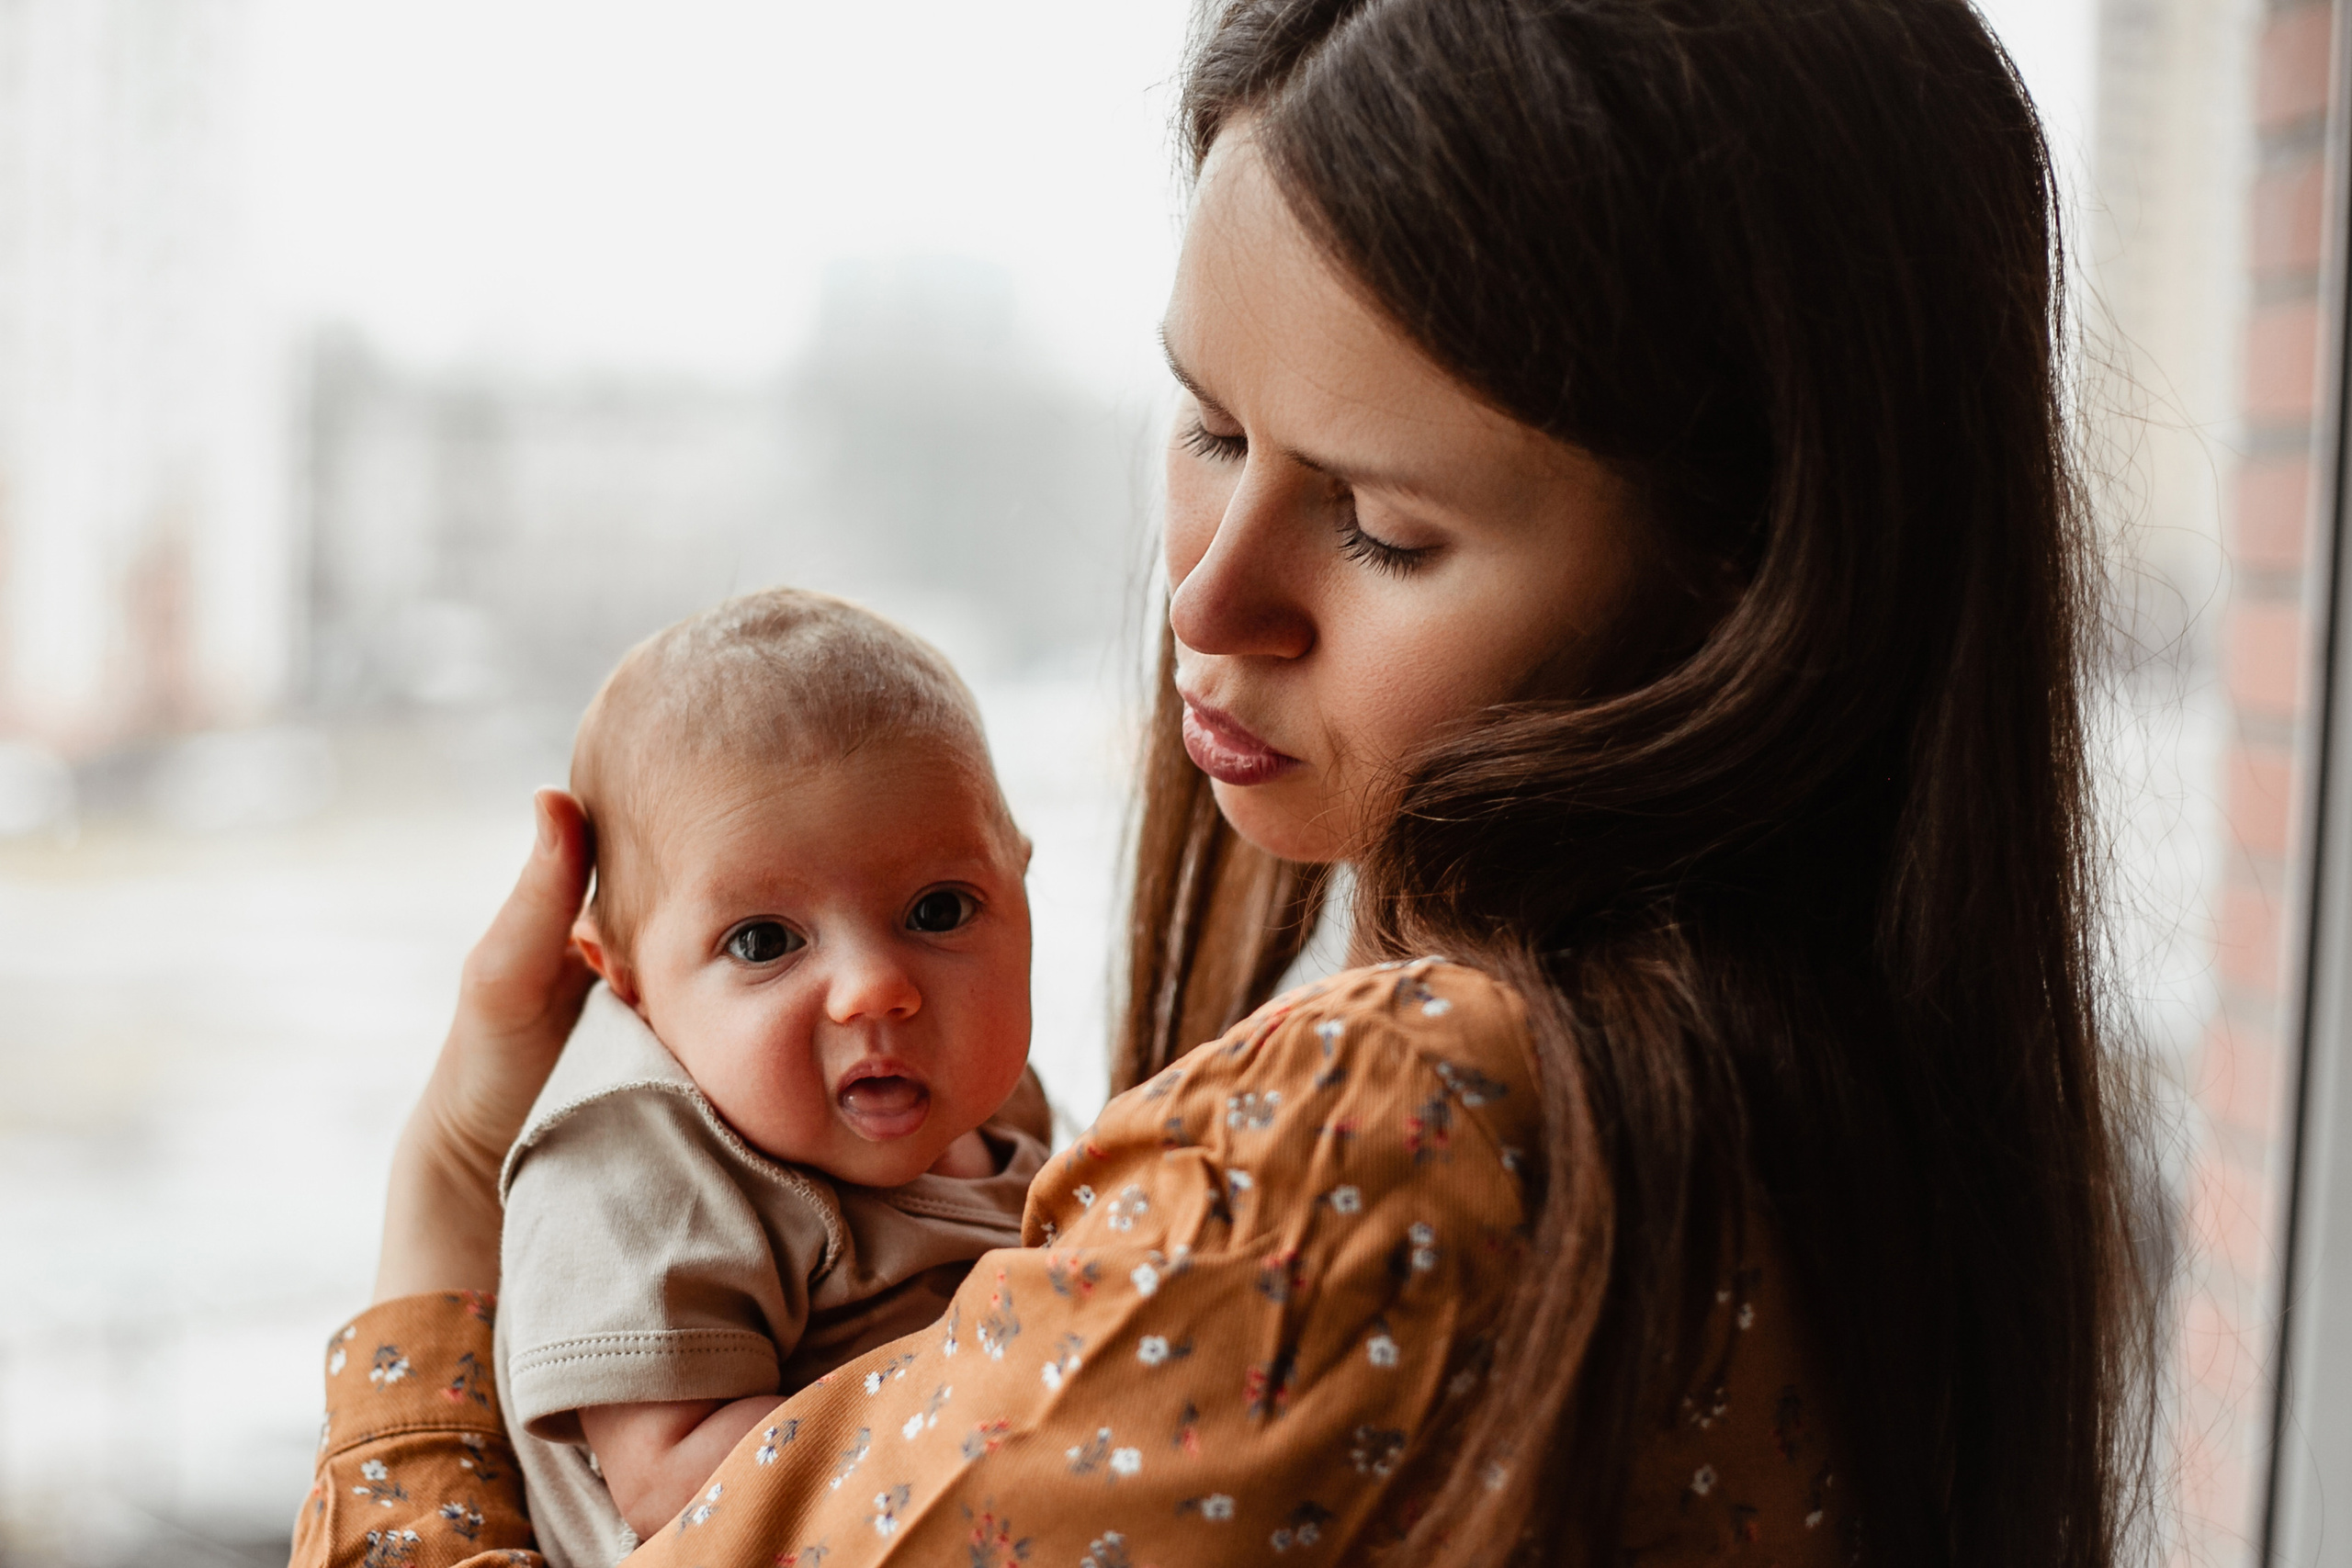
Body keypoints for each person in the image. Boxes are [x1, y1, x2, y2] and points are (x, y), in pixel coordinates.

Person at [292, 2, 2158, 1564]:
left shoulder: (1404, 1135)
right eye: (1204, 426)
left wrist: (449, 1202)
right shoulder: (1847, 1087)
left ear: (1742, 580)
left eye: (1380, 526)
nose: (1204, 591)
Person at [492, 591, 1054, 1567]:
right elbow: (676, 1485)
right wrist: (1017, 1409)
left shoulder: (995, 1094)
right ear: (625, 980)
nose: (875, 988)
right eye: (764, 941)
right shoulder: (637, 1159)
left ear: (1020, 878)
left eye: (939, 910)